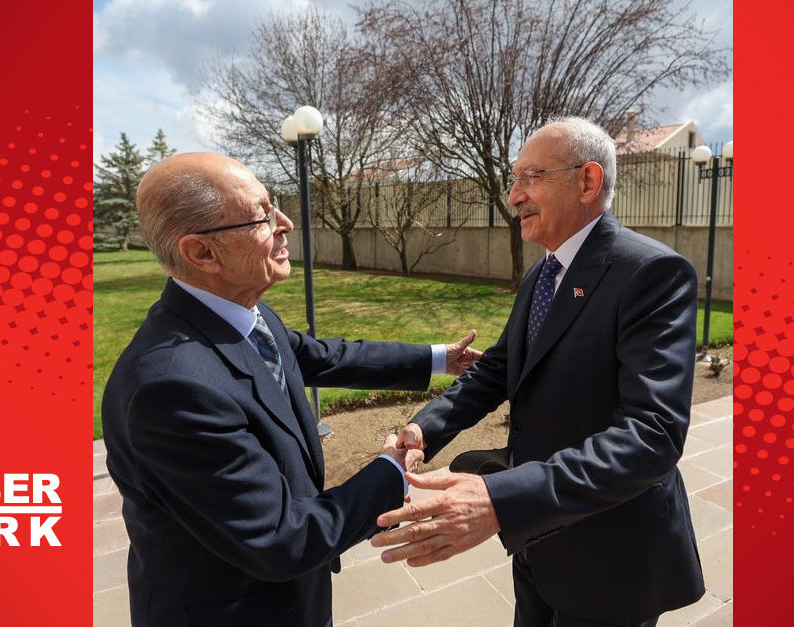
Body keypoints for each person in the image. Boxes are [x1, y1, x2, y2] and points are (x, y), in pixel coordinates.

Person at [101, 153, 481, 627]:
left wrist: (438, 358)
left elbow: (321, 356)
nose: (285, 224)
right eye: (261, 215)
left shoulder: (238, 314)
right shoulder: (172, 390)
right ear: (202, 253)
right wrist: (392, 471)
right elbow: (284, 540)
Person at [371, 117, 705, 627]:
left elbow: (652, 436)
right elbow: (499, 369)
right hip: (536, 543)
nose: (514, 195)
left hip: (611, 555)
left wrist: (499, 500)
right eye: (514, 179)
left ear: (588, 182)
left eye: (531, 177)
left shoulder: (651, 273)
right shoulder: (544, 272)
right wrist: (425, 427)